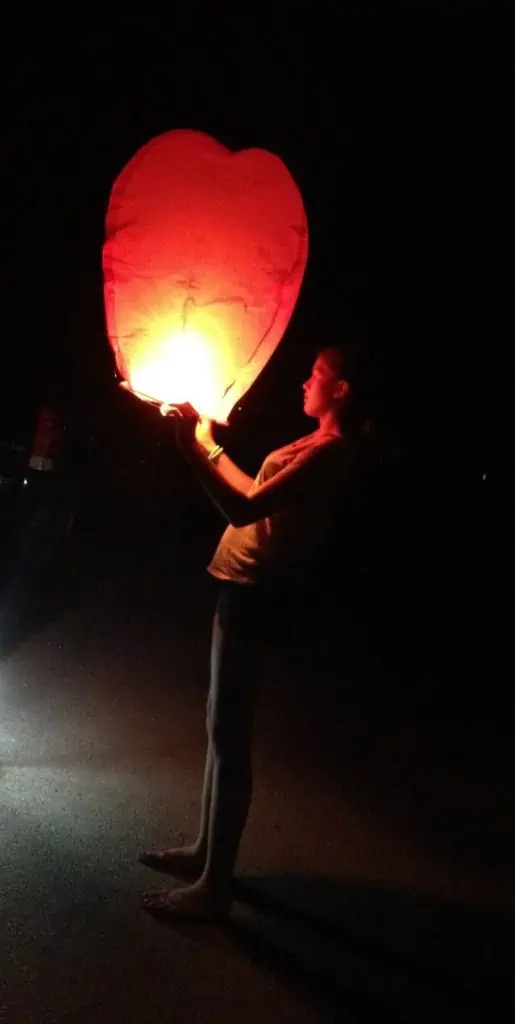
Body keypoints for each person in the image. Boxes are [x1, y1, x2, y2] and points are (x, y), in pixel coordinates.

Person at [140, 345, 362, 922]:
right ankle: (204, 851)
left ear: (341, 390)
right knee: (219, 727)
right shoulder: (310, 445)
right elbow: (255, 498)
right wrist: (209, 442)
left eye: (317, 376)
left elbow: (241, 512)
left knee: (230, 738)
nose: (304, 382)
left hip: (257, 595)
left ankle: (214, 887)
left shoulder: (331, 454)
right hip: (238, 588)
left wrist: (189, 449)